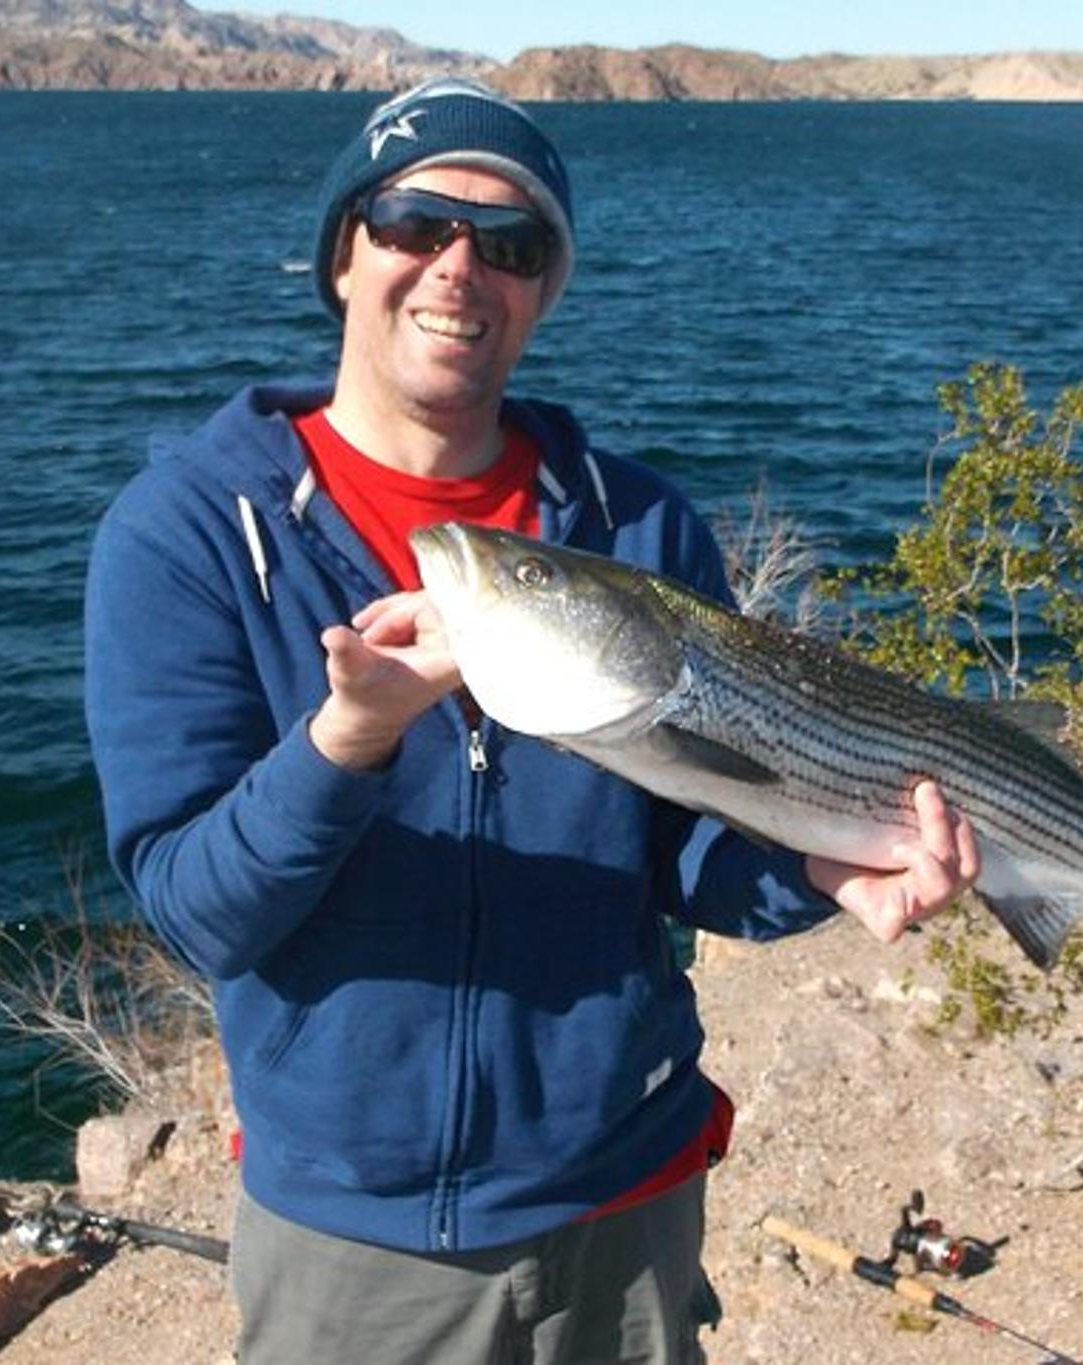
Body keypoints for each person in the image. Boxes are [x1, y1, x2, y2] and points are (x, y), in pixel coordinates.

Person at [84, 77, 979, 1364]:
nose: (458, 268)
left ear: (544, 290)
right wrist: (346, 743)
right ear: (346, 252)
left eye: (509, 247)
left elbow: (682, 842)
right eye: (414, 222)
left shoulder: (635, 527)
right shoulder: (186, 536)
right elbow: (195, 909)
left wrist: (825, 872)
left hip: (630, 1193)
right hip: (361, 1237)